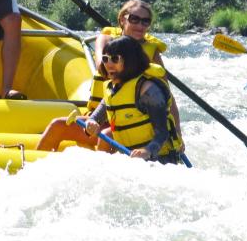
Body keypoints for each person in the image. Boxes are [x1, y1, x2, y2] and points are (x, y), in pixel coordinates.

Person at [36, 0, 183, 151]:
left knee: (108, 134)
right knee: (58, 126)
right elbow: (103, 68)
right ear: (122, 19)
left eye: (145, 22)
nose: (140, 26)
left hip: (131, 121)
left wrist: (178, 133)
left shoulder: (152, 54)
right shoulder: (107, 40)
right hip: (101, 116)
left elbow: (167, 97)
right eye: (134, 19)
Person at [41, 36, 184, 164]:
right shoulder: (112, 89)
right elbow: (95, 117)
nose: (108, 64)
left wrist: (147, 151)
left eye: (115, 59)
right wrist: (90, 123)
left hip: (161, 160)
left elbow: (162, 133)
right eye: (105, 59)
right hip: (129, 158)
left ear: (131, 61)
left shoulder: (148, 91)